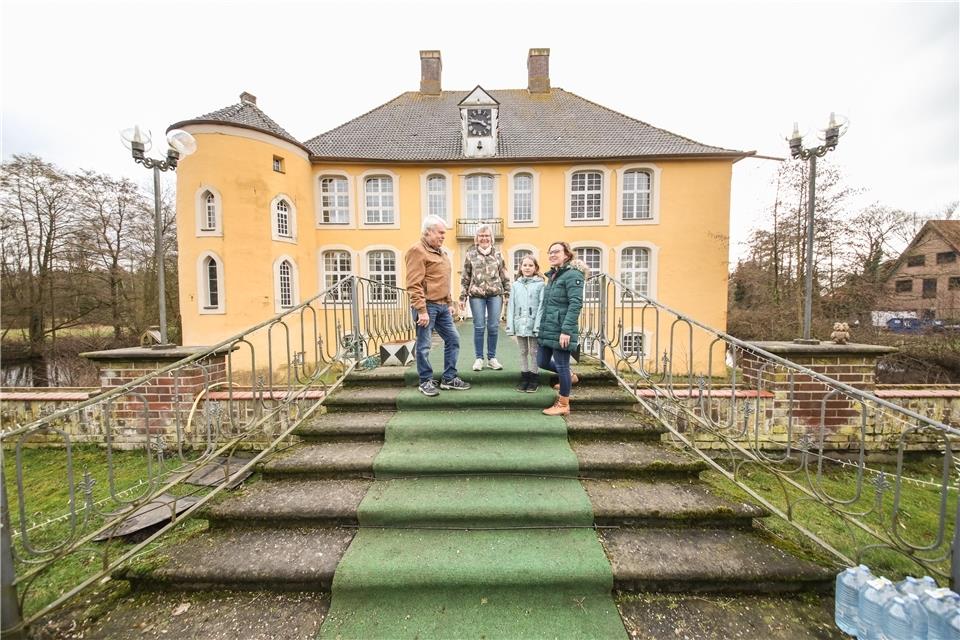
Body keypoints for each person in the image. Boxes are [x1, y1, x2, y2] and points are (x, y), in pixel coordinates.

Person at [405, 215, 471, 397]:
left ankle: (449, 378)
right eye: (440, 233)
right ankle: (425, 381)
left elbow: (443, 280)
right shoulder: (417, 251)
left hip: (442, 306)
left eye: (444, 233)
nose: (443, 236)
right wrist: (421, 310)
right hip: (427, 306)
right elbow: (413, 284)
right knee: (424, 345)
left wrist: (450, 302)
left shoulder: (441, 252)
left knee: (453, 339)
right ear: (428, 232)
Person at [537, 241, 587, 416]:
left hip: (562, 330)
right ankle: (570, 376)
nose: (552, 255)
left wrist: (566, 330)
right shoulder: (554, 275)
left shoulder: (573, 275)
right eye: (549, 252)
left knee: (562, 365)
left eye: (556, 252)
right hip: (548, 327)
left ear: (566, 254)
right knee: (541, 361)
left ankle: (563, 403)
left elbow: (576, 303)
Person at [458, 223, 511, 372]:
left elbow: (504, 275)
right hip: (476, 295)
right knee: (479, 326)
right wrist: (462, 298)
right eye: (481, 236)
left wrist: (507, 294)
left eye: (487, 235)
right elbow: (465, 277)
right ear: (477, 238)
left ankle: (492, 359)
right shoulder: (470, 255)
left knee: (493, 326)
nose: (484, 238)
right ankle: (479, 358)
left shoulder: (498, 255)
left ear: (491, 238)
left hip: (495, 295)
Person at [505, 255, 545, 393]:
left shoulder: (540, 284)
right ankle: (524, 377)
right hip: (519, 322)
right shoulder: (516, 285)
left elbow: (541, 306)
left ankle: (534, 378)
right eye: (525, 265)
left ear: (536, 268)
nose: (527, 268)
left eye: (530, 265)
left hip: (534, 322)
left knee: (534, 351)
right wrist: (510, 325)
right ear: (520, 268)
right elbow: (511, 305)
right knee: (522, 351)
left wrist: (538, 325)